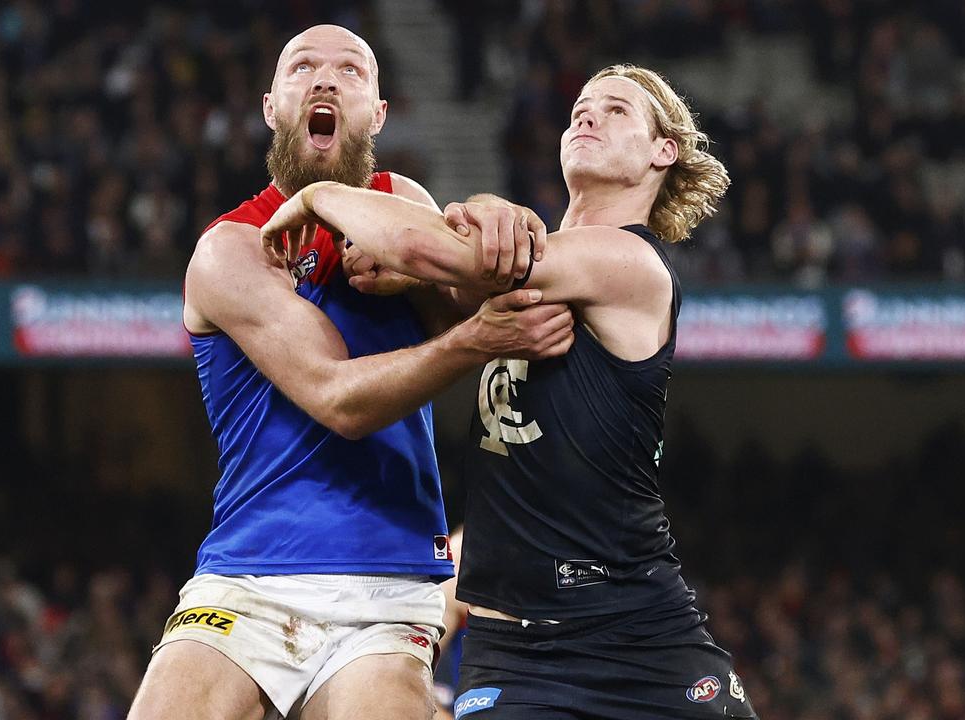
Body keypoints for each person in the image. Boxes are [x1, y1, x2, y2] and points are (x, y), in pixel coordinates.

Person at [261, 64, 759, 718]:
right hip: (510, 649)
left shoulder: (631, 262)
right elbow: (448, 267)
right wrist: (413, 271)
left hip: (635, 630)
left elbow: (433, 246)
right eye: (580, 106)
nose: (587, 115)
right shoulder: (540, 263)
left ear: (662, 151)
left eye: (615, 110)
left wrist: (318, 195)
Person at [127, 25, 573, 720]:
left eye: (350, 71)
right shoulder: (232, 249)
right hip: (247, 579)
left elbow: (483, 289)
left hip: (388, 583)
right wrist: (473, 342)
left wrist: (493, 217)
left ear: (379, 113)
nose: (326, 80)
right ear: (273, 105)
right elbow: (339, 399)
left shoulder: (408, 207)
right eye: (303, 67)